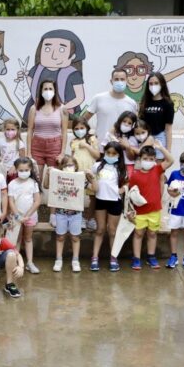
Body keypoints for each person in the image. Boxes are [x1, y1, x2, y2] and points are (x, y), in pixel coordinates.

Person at [26, 79, 68, 226]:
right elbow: (30, 130)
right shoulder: (34, 108)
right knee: (35, 181)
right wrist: (29, 153)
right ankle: (33, 213)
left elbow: (64, 131)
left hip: (54, 146)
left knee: (54, 181)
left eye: (50, 88)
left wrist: (62, 152)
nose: (48, 91)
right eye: (45, 88)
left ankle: (53, 215)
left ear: (55, 90)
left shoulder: (61, 108)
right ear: (41, 91)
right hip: (37, 145)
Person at [129, 144, 174, 270]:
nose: (148, 161)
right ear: (140, 159)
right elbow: (131, 194)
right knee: (138, 234)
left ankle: (151, 256)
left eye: (151, 159)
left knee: (152, 234)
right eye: (145, 158)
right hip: (139, 211)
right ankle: (136, 258)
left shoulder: (157, 170)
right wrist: (131, 211)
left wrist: (161, 148)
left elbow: (171, 160)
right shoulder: (135, 175)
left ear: (154, 160)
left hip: (154, 210)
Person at [88, 142, 128, 272]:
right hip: (100, 201)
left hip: (114, 202)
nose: (110, 155)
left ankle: (113, 257)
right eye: (108, 153)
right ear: (104, 153)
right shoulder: (97, 166)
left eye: (114, 153)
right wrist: (89, 182)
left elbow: (128, 182)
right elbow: (89, 177)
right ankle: (94, 257)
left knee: (112, 231)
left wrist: (123, 189)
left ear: (119, 155)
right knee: (100, 230)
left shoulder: (121, 168)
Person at [83, 68, 137, 147]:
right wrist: (86, 136)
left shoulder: (132, 103)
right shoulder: (98, 98)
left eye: (122, 79)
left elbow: (135, 126)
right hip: (101, 146)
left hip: (123, 150)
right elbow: (83, 120)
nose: (119, 82)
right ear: (111, 81)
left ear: (127, 81)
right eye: (116, 79)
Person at [8, 157, 42, 274]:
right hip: (16, 217)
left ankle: (30, 263)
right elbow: (11, 201)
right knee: (16, 239)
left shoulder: (33, 183)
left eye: (26, 170)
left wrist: (27, 216)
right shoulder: (12, 184)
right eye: (21, 170)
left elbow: (37, 201)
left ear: (31, 169)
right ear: (16, 169)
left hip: (30, 216)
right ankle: (16, 263)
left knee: (28, 238)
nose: (24, 172)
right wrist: (18, 216)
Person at [68, 116, 100, 230]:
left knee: (93, 197)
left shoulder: (92, 139)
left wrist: (87, 145)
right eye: (76, 128)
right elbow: (72, 157)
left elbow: (97, 155)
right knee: (77, 196)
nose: (79, 130)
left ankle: (89, 218)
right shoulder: (73, 142)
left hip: (90, 173)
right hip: (78, 174)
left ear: (87, 127)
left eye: (82, 127)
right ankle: (79, 218)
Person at [53, 156, 84, 273]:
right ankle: (58, 259)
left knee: (75, 237)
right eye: (66, 165)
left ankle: (75, 260)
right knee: (60, 236)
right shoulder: (58, 179)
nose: (69, 167)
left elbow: (95, 188)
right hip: (61, 213)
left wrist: (91, 178)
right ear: (61, 167)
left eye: (71, 165)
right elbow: (46, 186)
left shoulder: (81, 179)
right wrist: (48, 174)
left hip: (76, 214)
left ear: (76, 167)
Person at [139, 72, 175, 159]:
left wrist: (168, 150)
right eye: (150, 84)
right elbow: (140, 124)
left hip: (160, 138)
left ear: (162, 84)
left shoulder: (168, 104)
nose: (153, 86)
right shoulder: (145, 102)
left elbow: (168, 129)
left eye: (156, 83)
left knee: (158, 168)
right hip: (144, 138)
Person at [106, 111, 138, 176]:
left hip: (127, 166)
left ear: (133, 125)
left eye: (129, 123)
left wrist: (127, 147)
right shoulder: (114, 135)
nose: (126, 124)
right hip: (114, 165)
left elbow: (131, 158)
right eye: (124, 121)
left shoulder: (132, 138)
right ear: (120, 121)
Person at [0, 118, 25, 182]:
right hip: (3, 170)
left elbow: (22, 159)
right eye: (8, 129)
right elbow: (1, 154)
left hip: (14, 171)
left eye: (12, 129)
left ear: (17, 130)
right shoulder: (1, 141)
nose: (10, 131)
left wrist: (15, 167)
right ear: (4, 129)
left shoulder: (20, 143)